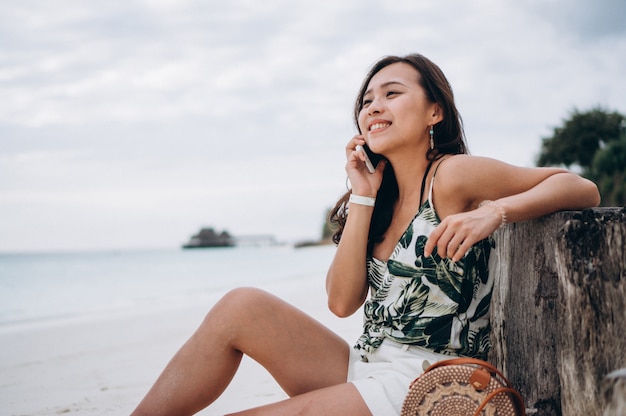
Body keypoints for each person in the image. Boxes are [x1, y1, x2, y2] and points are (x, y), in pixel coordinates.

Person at [131, 54, 600, 416]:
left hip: (428, 381)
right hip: (368, 364)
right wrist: (362, 195)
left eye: (392, 93)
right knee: (241, 305)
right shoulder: (377, 199)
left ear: (434, 111)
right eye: (367, 100)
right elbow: (340, 303)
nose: (373, 106)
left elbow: (581, 187)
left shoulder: (453, 176)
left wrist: (495, 212)